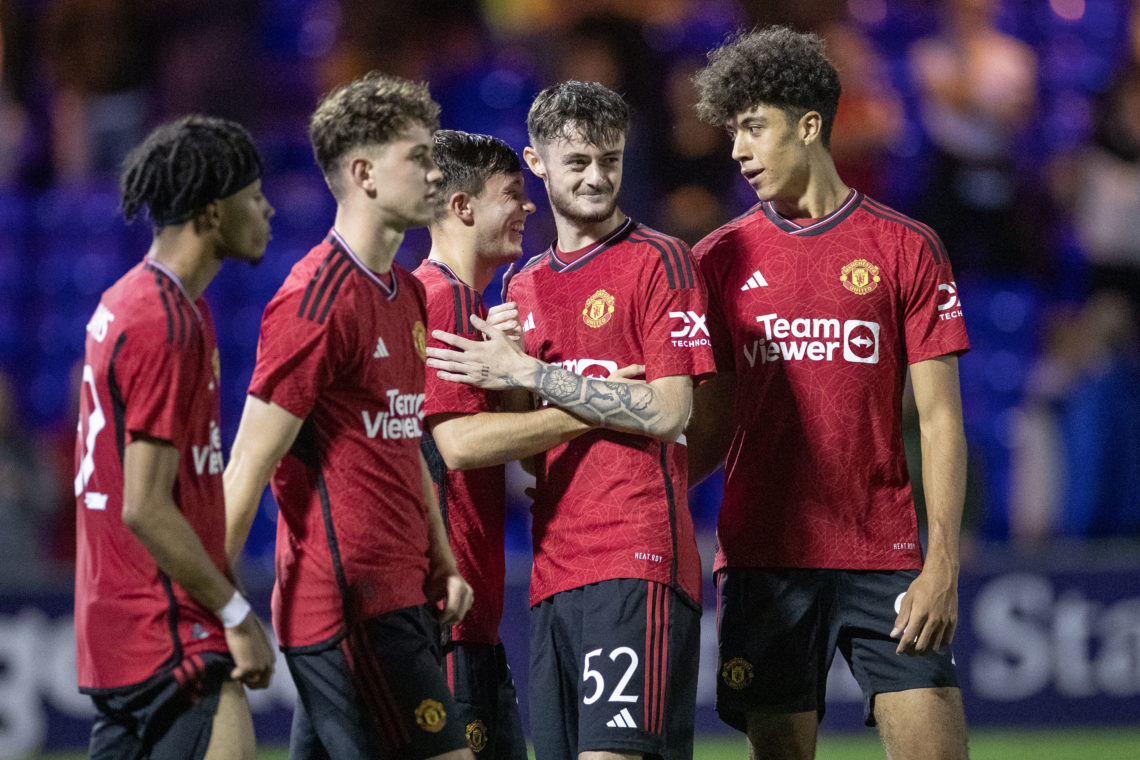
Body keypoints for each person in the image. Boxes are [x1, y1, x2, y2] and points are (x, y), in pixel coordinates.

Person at [687, 27, 971, 760]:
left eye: (753, 128)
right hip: (764, 558)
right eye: (732, 131)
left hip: (885, 555)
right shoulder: (718, 258)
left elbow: (940, 421)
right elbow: (712, 426)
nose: (737, 151)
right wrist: (629, 497)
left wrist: (942, 565)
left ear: (809, 125)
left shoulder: (905, 247)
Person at [426, 81, 714, 760]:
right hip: (554, 570)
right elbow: (531, 456)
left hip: (635, 555)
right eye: (578, 161)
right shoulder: (521, 285)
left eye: (609, 160)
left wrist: (533, 373)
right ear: (537, 163)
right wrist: (522, 371)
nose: (596, 177)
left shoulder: (661, 260)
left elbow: (672, 410)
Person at [221, 72, 474, 760]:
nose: (435, 171)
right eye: (417, 157)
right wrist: (213, 604)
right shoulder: (316, 299)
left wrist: (442, 558)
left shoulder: (408, 296)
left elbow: (404, 439)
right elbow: (250, 460)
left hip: (400, 593)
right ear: (363, 173)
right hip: (346, 606)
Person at [73, 115, 276, 760]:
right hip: (169, 631)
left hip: (118, 634)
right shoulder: (163, 321)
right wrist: (237, 615)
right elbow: (145, 504)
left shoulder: (137, 302)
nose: (267, 209)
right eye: (254, 196)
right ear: (214, 213)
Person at [415, 128, 584, 760]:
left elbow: (511, 457)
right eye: (512, 194)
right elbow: (458, 443)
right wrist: (594, 415)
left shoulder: (462, 304)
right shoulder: (446, 300)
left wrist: (514, 374)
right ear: (462, 208)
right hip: (448, 620)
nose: (528, 206)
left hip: (469, 619)